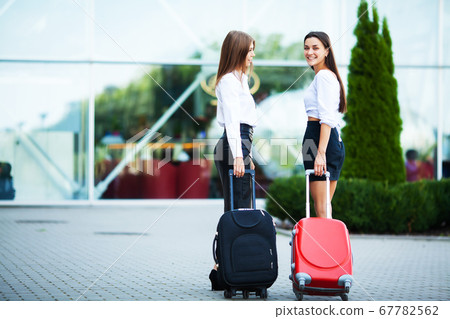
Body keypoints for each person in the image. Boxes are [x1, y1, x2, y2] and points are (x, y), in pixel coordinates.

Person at [209, 30, 257, 290]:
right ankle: (224, 270)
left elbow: (244, 124)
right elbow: (232, 122)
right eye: (249, 49)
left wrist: (247, 156)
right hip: (233, 143)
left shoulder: (241, 79)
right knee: (236, 210)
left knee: (240, 208)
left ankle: (227, 269)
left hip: (240, 142)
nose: (252, 54)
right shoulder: (228, 81)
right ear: (237, 50)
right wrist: (239, 156)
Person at [302, 31, 347, 218]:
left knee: (321, 208)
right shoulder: (322, 76)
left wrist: (320, 153)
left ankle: (327, 248)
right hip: (319, 138)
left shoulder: (324, 77)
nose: (309, 52)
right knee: (322, 206)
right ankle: (327, 247)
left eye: (315, 48)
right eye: (306, 48)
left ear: (327, 51)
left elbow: (327, 118)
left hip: (320, 139)